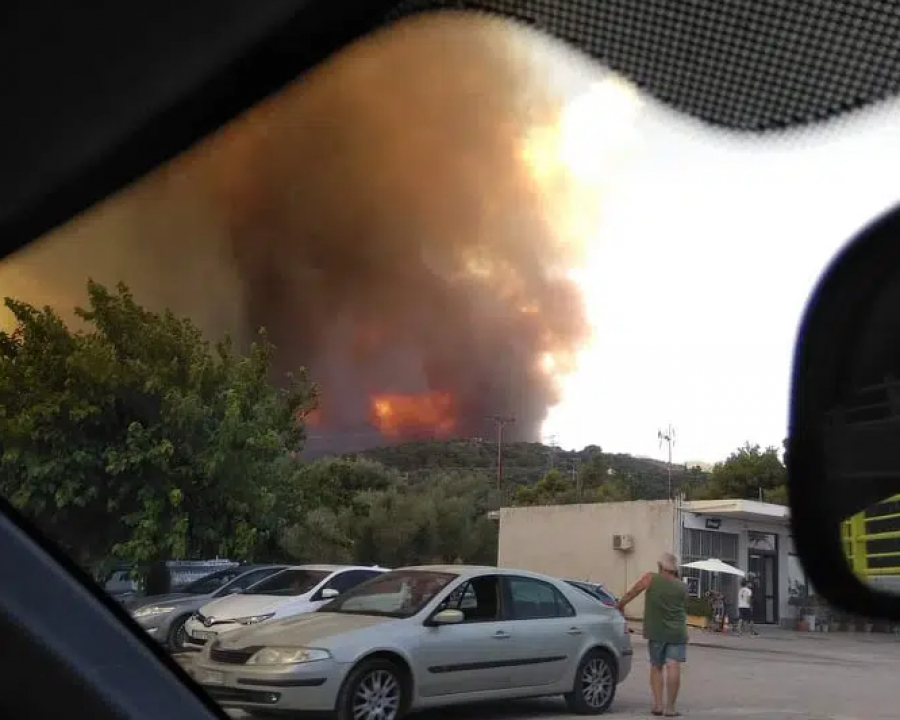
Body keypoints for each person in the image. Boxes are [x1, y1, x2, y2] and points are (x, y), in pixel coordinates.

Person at [618, 552, 687, 718]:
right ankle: (670, 708)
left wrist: (620, 605)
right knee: (673, 665)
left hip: (656, 631)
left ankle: (657, 705)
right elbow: (685, 606)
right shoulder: (682, 586)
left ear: (660, 566)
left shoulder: (650, 578)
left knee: (657, 666)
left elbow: (633, 592)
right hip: (677, 631)